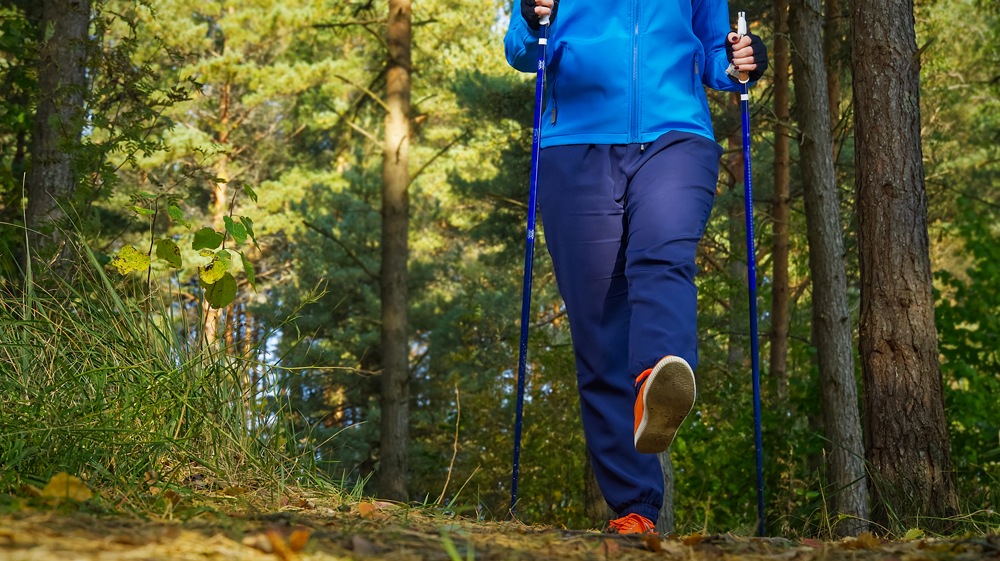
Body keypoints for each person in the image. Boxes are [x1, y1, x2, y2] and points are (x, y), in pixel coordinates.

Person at [503, 0, 768, 534]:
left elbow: (716, 55)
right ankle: (635, 510)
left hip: (676, 134)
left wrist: (742, 60)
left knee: (663, 254)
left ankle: (656, 377)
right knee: (599, 331)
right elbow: (522, 52)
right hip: (574, 143)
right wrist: (533, 21)